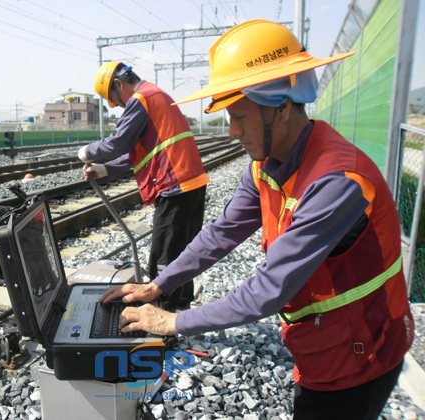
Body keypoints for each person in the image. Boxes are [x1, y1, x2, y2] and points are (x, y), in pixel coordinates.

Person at [100, 20, 415, 419]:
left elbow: (269, 288)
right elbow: (220, 233)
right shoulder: (268, 163)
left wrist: (173, 322)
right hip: (325, 340)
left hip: (364, 351)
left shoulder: (338, 182)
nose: (232, 132)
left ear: (281, 107)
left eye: (240, 117)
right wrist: (158, 285)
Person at [78, 62, 210, 311]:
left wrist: (86, 152)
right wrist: (107, 169)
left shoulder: (142, 98)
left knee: (163, 257)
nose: (116, 106)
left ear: (119, 84)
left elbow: (118, 143)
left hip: (175, 186)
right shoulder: (156, 95)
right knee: (182, 252)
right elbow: (140, 149)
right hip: (190, 183)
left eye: (114, 100)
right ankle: (180, 306)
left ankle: (162, 314)